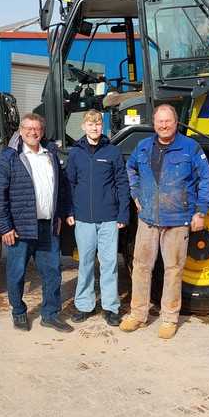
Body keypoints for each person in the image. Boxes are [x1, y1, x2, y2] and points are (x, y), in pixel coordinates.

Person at [120, 104, 209, 339]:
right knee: (141, 267)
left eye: (168, 121)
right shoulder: (143, 147)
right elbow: (130, 168)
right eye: (159, 121)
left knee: (173, 270)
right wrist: (135, 193)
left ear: (175, 123)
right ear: (154, 123)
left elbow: (206, 178)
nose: (163, 125)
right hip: (148, 219)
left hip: (177, 219)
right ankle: (138, 314)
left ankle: (169, 318)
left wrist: (200, 212)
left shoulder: (190, 148)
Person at [0, 112, 73, 333]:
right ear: (20, 130)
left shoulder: (51, 154)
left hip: (48, 226)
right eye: (28, 128)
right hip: (20, 228)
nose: (32, 132)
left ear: (42, 131)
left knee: (52, 273)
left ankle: (50, 314)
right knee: (16, 273)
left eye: (36, 129)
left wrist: (61, 215)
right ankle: (18, 312)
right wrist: (5, 226)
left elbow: (62, 188)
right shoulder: (10, 156)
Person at [65, 110, 130, 327]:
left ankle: (111, 307)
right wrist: (70, 211)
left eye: (98, 124)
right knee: (85, 263)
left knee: (109, 263)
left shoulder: (112, 152)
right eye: (91, 124)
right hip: (83, 218)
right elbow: (70, 184)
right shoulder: (75, 153)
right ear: (83, 127)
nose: (94, 128)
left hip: (109, 218)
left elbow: (122, 184)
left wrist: (123, 213)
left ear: (103, 127)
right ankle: (84, 305)